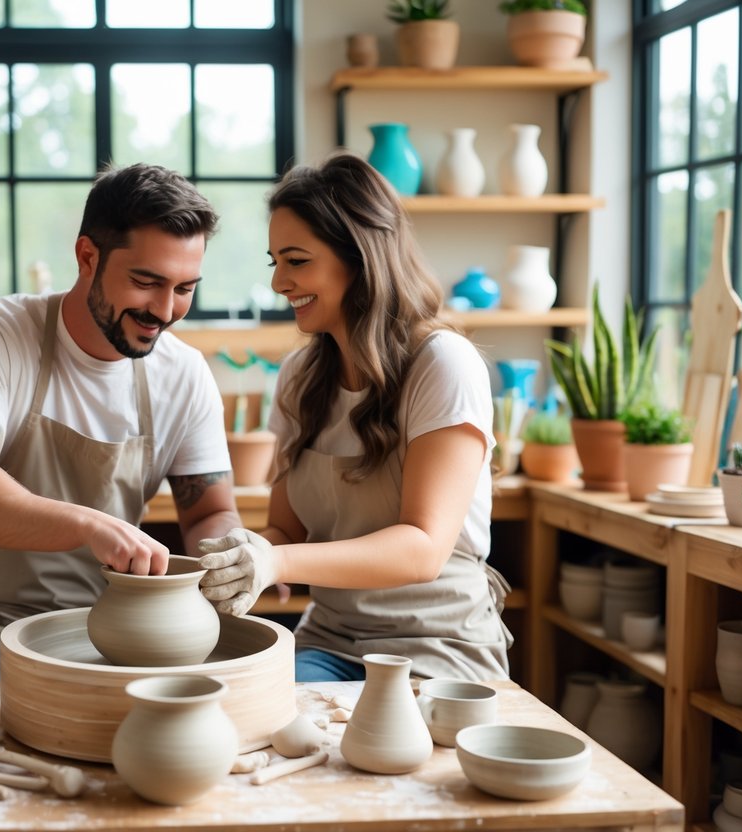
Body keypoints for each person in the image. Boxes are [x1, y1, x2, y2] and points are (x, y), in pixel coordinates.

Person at [197, 150, 511, 683]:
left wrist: (280, 563)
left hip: (438, 647)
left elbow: (423, 548)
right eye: (276, 263)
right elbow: (286, 528)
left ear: (361, 256)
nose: (279, 284)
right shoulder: (299, 375)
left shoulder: (442, 364)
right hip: (331, 640)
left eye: (297, 261)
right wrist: (243, 556)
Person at [0, 163, 243, 682]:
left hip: (119, 637)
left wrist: (234, 555)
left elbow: (209, 511)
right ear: (87, 257)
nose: (164, 310)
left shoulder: (184, 374)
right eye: (146, 282)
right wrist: (90, 526)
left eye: (185, 288)